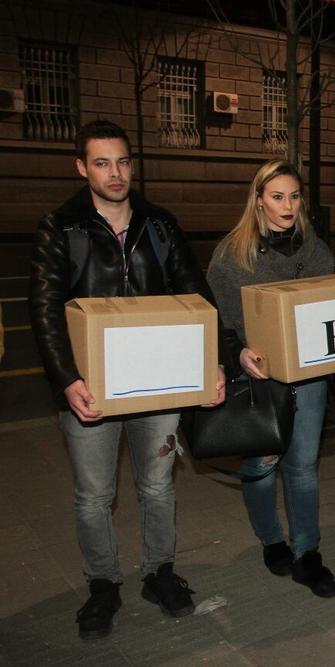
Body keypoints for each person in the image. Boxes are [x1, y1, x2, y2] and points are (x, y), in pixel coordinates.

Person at [29, 120, 225, 639]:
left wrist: (213, 362)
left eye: (122, 162)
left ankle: (159, 573)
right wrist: (66, 379)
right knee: (94, 495)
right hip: (90, 386)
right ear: (82, 167)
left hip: (159, 382)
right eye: (101, 163)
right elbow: (45, 311)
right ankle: (103, 585)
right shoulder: (61, 227)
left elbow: (196, 294)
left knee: (157, 485)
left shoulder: (159, 224)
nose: (115, 173)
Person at [206, 159, 335, 598]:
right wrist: (237, 353)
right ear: (259, 199)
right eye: (277, 196)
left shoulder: (315, 250)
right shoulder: (232, 255)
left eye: (294, 196)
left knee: (302, 467)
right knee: (261, 466)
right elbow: (219, 322)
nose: (287, 205)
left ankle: (308, 553)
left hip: (308, 374)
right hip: (259, 379)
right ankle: (271, 540)